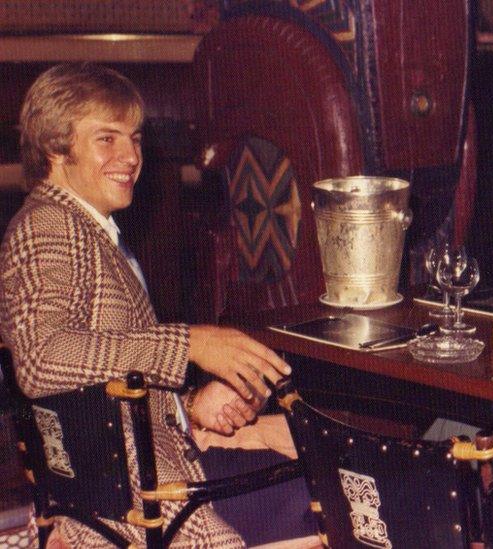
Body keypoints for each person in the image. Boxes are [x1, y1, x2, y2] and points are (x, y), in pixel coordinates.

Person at [0, 63, 307, 547]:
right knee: (335, 494)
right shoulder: (50, 227)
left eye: (135, 138)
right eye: (107, 139)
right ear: (56, 148)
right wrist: (190, 343)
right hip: (133, 503)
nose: (130, 156)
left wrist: (190, 407)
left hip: (141, 470)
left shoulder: (88, 228)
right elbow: (42, 359)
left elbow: (98, 384)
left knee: (320, 471)